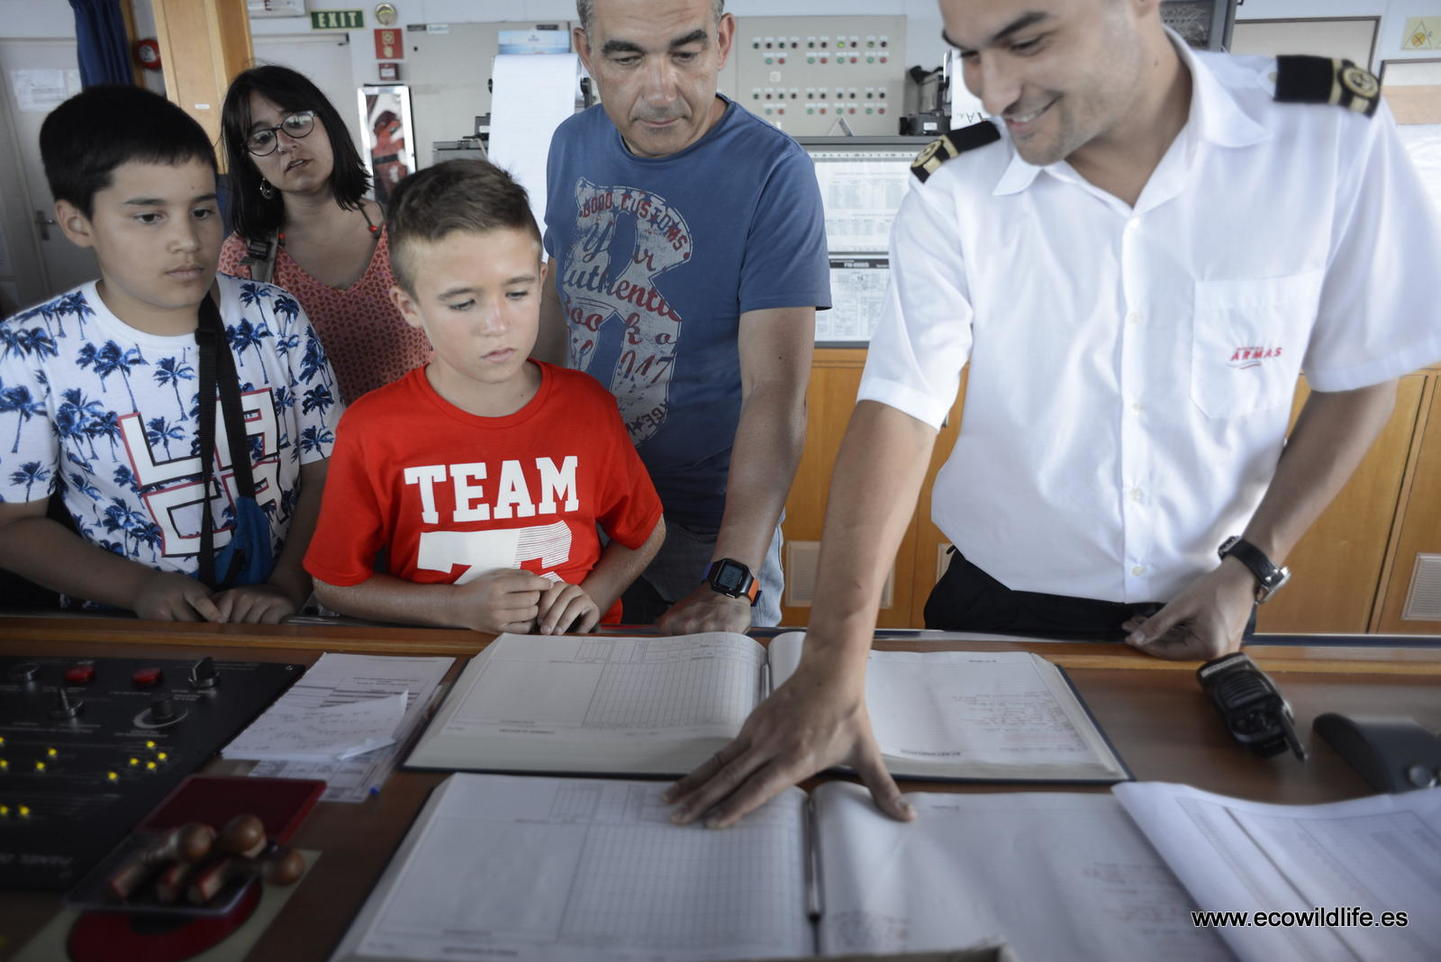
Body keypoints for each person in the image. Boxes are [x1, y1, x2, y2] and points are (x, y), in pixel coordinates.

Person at [665, 0, 1441, 827]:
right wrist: (829, 662)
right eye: (966, 54)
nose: (993, 88)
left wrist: (1250, 567)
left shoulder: (1324, 132)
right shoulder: (959, 185)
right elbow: (899, 404)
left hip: (1212, 602)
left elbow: (1358, 377)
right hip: (995, 607)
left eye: (1025, 41)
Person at [537, 0, 830, 633]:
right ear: (585, 53)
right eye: (627, 57)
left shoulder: (774, 172)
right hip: (586, 507)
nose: (662, 90)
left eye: (686, 53)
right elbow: (557, 317)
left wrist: (732, 577)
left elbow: (775, 393)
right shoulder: (571, 143)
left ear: (723, 40)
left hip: (709, 528)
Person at [0, 85, 339, 622]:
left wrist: (287, 585)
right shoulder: (30, 351)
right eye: (149, 216)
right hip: (129, 629)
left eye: (202, 210)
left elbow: (328, 472)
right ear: (76, 223)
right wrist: (138, 588)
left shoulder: (275, 316)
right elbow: (14, 525)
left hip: (291, 613)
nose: (187, 239)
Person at [303, 160, 666, 634]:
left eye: (516, 293)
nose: (496, 324)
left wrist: (593, 598)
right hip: (439, 666)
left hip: (575, 662)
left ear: (540, 281)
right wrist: (452, 608)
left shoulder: (587, 407)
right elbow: (334, 584)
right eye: (463, 303)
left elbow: (645, 532)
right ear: (409, 307)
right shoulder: (372, 429)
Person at [218, 66, 431, 405]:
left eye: (297, 122)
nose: (285, 144)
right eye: (261, 138)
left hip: (419, 445)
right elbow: (247, 378)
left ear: (328, 124)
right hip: (317, 456)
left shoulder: (408, 228)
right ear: (249, 161)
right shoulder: (244, 258)